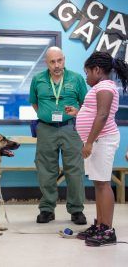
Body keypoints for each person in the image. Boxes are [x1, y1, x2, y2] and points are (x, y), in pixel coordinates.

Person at [65, 51, 128, 246]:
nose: (86, 77)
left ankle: (107, 230)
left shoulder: (106, 87)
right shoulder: (101, 87)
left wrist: (89, 142)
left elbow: (102, 115)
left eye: (87, 72)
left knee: (103, 184)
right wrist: (79, 113)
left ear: (97, 70)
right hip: (97, 141)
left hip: (102, 140)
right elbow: (93, 112)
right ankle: (100, 225)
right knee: (98, 183)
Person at [29, 46, 87, 225]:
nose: (56, 65)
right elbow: (35, 104)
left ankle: (76, 210)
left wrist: (75, 112)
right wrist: (47, 116)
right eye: (52, 61)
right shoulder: (37, 79)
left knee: (75, 169)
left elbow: (86, 105)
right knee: (46, 170)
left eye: (59, 60)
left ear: (64, 59)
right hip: (46, 129)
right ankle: (47, 209)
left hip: (70, 128)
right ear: (46, 63)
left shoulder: (76, 79)